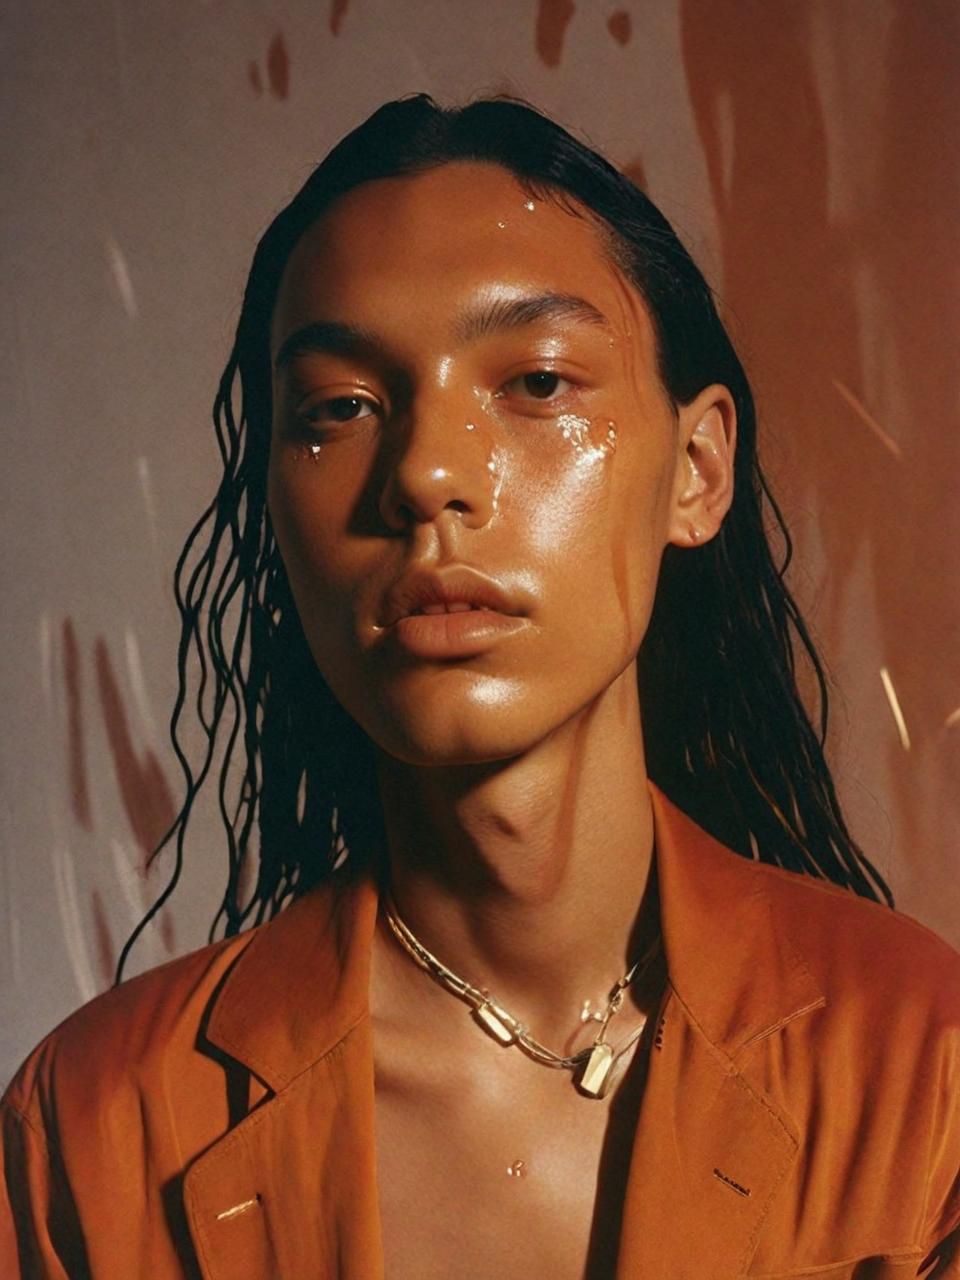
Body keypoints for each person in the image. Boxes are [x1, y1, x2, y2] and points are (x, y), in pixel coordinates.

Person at [2, 94, 958, 1279]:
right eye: (340, 408)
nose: (425, 472)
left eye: (539, 384)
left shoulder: (927, 1070)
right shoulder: (96, 1125)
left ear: (698, 471)